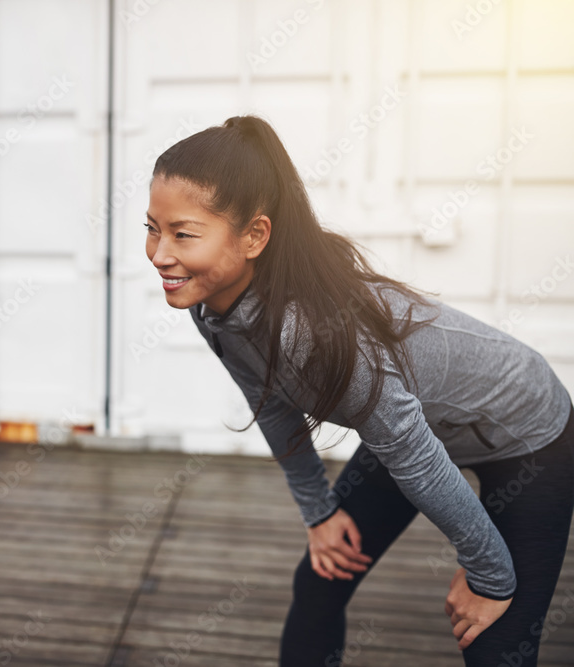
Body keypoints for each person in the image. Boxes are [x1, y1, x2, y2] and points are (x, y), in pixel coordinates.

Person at [144, 114, 574, 666]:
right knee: (321, 578)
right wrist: (319, 514)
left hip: (526, 432)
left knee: (494, 642)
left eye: (182, 233)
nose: (160, 254)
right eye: (152, 228)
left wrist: (490, 575)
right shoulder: (209, 303)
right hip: (410, 430)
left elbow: (417, 461)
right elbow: (273, 406)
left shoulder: (314, 333)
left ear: (254, 236)